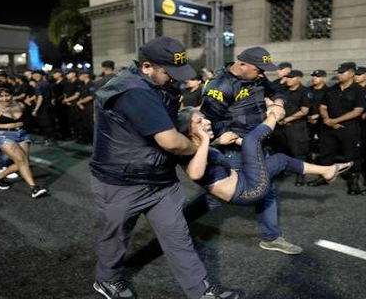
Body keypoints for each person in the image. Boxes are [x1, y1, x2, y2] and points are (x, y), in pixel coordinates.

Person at [90, 37, 238, 299]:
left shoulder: (155, 82)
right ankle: (107, 280)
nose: (176, 79)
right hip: (121, 181)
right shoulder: (133, 91)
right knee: (115, 237)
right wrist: (203, 146)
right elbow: (170, 141)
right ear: (147, 67)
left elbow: (168, 116)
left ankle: (201, 293)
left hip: (160, 179)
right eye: (170, 72)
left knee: (179, 238)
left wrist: (190, 113)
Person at [197, 46, 303, 256]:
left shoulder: (257, 77)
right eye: (259, 69)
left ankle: (271, 237)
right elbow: (209, 123)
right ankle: (177, 221)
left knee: (267, 188)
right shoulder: (220, 86)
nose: (263, 74)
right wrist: (234, 139)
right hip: (233, 150)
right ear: (242, 64)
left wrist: (278, 104)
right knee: (218, 196)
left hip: (257, 143)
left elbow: (276, 90)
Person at [178, 106, 353, 205]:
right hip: (247, 191)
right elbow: (195, 173)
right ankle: (273, 115)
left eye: (204, 118)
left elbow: (205, 153)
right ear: (188, 131)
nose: (207, 122)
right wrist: (208, 141)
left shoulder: (198, 145)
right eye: (199, 121)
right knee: (251, 140)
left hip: (244, 179)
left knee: (279, 160)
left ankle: (327, 170)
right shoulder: (188, 151)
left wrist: (216, 142)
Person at [307, 62, 366, 195]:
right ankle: (323, 177)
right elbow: (323, 107)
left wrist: (335, 121)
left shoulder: (359, 90)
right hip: (328, 127)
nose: (339, 74)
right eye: (338, 72)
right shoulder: (331, 89)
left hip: (349, 128)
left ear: (351, 74)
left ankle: (353, 182)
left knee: (351, 155)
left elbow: (357, 111)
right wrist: (328, 120)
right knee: (326, 153)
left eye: (342, 72)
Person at [270, 70, 310, 186]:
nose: (288, 79)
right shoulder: (283, 90)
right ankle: (280, 173)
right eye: (287, 77)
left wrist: (287, 119)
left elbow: (304, 110)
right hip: (280, 127)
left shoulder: (304, 91)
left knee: (298, 152)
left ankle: (300, 176)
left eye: (291, 77)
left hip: (296, 126)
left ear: (299, 78)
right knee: (279, 150)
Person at [307, 69, 328, 162]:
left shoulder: (329, 91)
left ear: (323, 78)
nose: (314, 78)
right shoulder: (307, 90)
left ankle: (321, 164)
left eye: (317, 76)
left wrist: (317, 116)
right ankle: (307, 162)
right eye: (313, 76)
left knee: (324, 144)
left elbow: (330, 107)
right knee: (307, 143)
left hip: (322, 121)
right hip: (308, 121)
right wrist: (309, 117)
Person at [32, 70, 57, 146]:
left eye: (37, 75)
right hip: (48, 106)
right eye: (34, 75)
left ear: (42, 76)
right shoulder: (47, 83)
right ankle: (48, 139)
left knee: (46, 124)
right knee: (49, 123)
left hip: (43, 107)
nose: (35, 77)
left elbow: (40, 97)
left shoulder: (39, 85)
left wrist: (36, 109)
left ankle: (50, 140)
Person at [75, 71, 97, 144]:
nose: (79, 77)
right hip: (82, 107)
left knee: (90, 124)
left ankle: (93, 140)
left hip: (89, 107)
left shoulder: (92, 84)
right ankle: (86, 139)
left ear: (86, 75)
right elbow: (82, 95)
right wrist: (80, 103)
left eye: (80, 75)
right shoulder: (82, 84)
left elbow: (90, 97)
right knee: (84, 124)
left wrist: (80, 102)